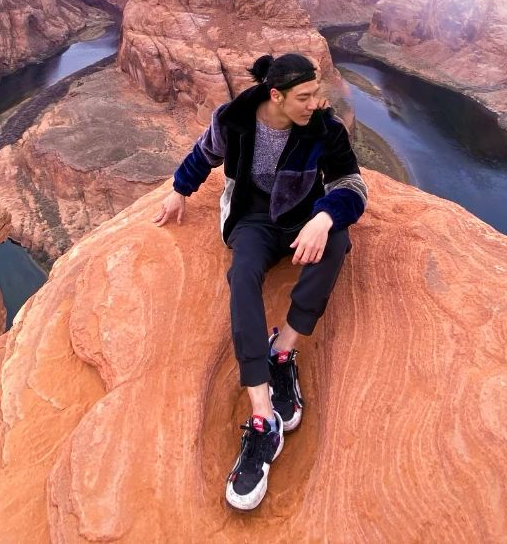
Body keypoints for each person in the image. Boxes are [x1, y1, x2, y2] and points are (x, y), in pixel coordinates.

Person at [152, 52, 368, 510]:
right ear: (277, 95)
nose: (316, 103)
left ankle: (283, 348)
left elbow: (352, 182)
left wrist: (326, 215)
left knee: (338, 244)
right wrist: (178, 190)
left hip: (304, 218)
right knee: (242, 274)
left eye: (317, 94)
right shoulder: (235, 120)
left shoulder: (324, 131)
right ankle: (261, 414)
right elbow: (204, 153)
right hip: (254, 220)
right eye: (305, 97)